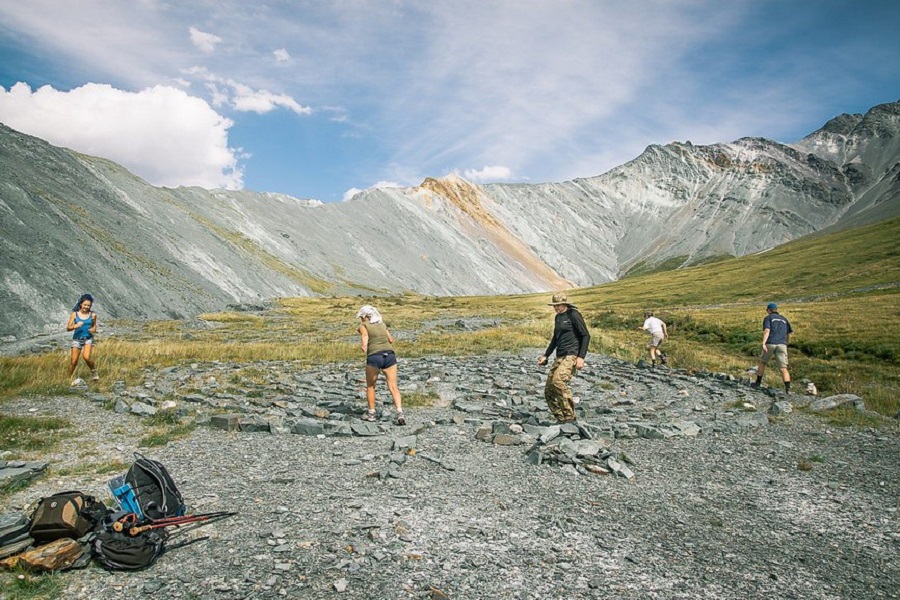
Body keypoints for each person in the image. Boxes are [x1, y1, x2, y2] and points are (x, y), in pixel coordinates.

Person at [537, 292, 591, 424]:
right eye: (554, 305)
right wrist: (546, 355)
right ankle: (560, 418)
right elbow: (555, 339)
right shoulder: (558, 317)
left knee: (558, 381)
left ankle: (570, 418)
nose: (556, 308)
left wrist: (581, 357)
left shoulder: (573, 314)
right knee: (549, 390)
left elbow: (585, 335)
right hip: (559, 355)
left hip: (571, 354)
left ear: (565, 304)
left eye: (558, 305)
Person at [356, 305, 405, 425]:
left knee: (371, 386)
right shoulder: (382, 325)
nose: (361, 319)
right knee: (393, 386)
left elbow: (365, 336)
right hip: (389, 355)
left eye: (361, 317)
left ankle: (371, 414)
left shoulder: (363, 326)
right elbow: (391, 340)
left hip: (374, 356)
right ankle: (400, 413)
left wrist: (364, 346)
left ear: (366, 316)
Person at [751, 302, 793, 393]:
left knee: (763, 362)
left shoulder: (768, 318)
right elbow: (789, 333)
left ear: (769, 310)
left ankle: (757, 383)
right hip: (782, 344)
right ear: (776, 310)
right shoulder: (784, 319)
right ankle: (788, 389)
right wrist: (786, 343)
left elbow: (767, 330)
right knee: (783, 368)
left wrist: (763, 343)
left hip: (770, 343)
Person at [66, 294, 98, 385]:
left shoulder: (93, 315)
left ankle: (93, 371)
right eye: (85, 305)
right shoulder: (75, 314)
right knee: (73, 361)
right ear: (81, 304)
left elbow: (94, 327)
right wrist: (75, 326)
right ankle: (67, 378)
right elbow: (68, 328)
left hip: (88, 339)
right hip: (77, 339)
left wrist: (93, 329)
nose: (86, 307)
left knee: (86, 357)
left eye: (89, 305)